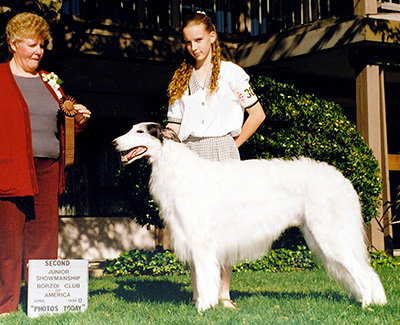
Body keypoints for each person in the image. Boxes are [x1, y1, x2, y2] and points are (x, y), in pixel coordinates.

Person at [166, 12, 266, 309]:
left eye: (198, 40)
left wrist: (234, 143)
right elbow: (174, 125)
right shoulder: (180, 79)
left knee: (223, 227)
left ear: (212, 37)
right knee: (194, 228)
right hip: (190, 154)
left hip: (224, 153)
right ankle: (199, 292)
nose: (194, 47)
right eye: (188, 42)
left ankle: (223, 293)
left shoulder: (232, 73)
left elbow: (257, 114)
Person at [0, 12, 91, 316]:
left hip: (48, 169)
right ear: (13, 44)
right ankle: (6, 306)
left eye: (41, 45)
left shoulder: (51, 80)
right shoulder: (0, 77)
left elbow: (64, 117)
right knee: (8, 242)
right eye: (31, 45)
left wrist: (76, 117)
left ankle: (43, 304)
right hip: (10, 170)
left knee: (44, 237)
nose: (38, 51)